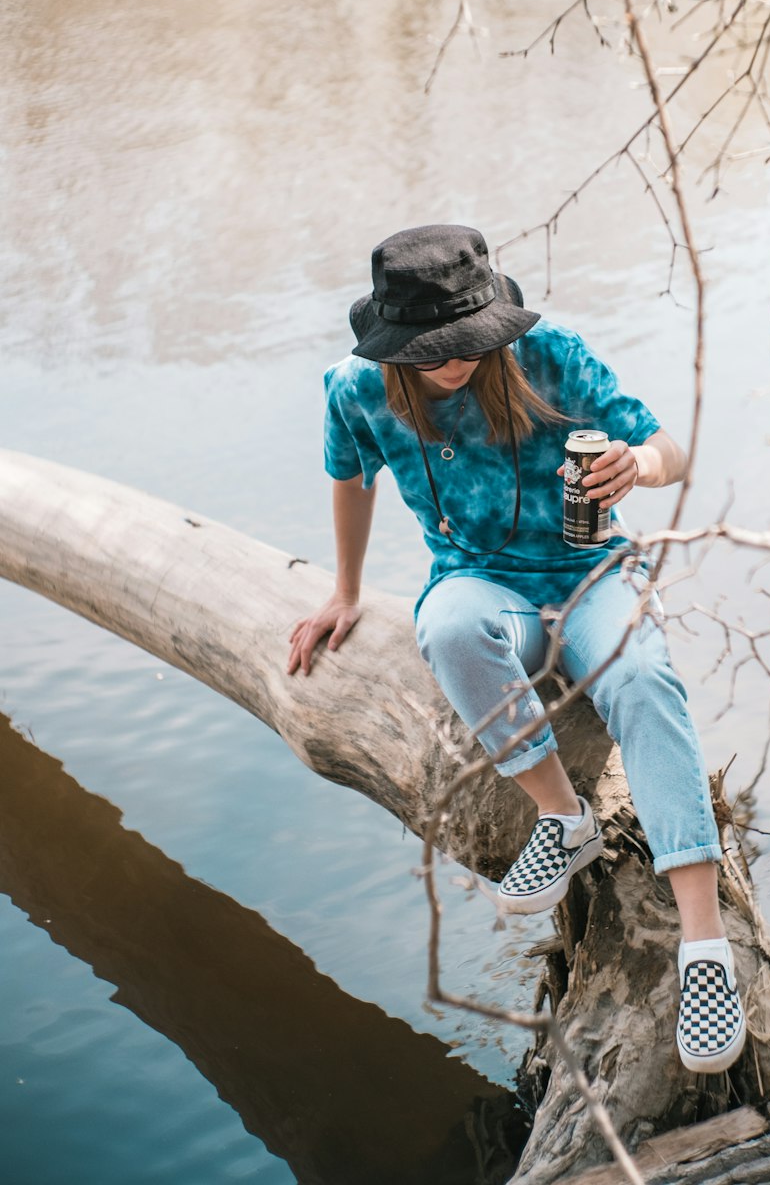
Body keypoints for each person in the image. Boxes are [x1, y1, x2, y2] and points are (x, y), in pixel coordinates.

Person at [287, 224, 745, 1074]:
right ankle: (562, 815)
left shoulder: (553, 355)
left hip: (591, 575)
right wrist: (346, 591)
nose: (453, 362)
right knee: (447, 626)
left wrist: (637, 465)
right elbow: (349, 479)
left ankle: (705, 945)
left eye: (466, 342)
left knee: (643, 679)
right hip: (484, 582)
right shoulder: (355, 390)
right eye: (431, 349)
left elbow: (671, 450)